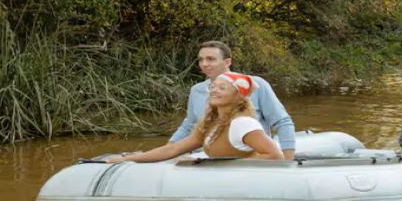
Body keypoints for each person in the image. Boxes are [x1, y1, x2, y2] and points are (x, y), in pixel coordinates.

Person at [102, 72, 285, 162]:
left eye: (223, 88)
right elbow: (172, 150)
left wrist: (230, 166)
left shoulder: (243, 123)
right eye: (213, 87)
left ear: (238, 97)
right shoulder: (210, 125)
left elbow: (275, 155)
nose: (214, 91)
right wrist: (126, 159)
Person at [168, 41, 298, 158]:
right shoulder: (196, 90)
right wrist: (169, 149)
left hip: (254, 160)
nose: (204, 64)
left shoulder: (256, 84)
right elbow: (189, 125)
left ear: (227, 62)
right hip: (215, 158)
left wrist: (287, 161)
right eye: (201, 60)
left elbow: (282, 122)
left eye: (210, 59)